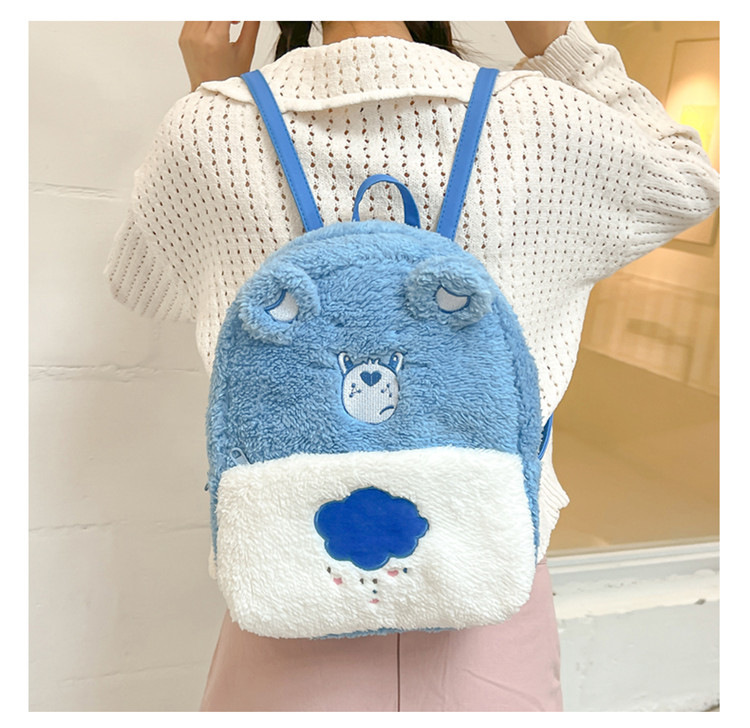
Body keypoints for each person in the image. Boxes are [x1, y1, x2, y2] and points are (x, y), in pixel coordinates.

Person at [105, 21, 719, 711]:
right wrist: (558, 40)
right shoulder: (542, 118)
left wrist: (212, 98)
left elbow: (140, 283)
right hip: (489, 576)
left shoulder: (210, 129)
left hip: (288, 578)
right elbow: (690, 181)